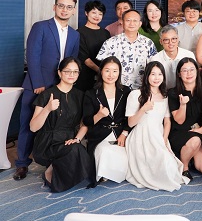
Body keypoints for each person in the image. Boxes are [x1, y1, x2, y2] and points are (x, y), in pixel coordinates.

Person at [14, 0, 80, 181]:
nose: (64, 10)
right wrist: (38, 83)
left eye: (69, 7)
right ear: (54, 7)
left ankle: (51, 160)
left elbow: (72, 60)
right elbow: (32, 56)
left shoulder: (75, 35)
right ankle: (22, 163)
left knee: (55, 125)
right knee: (28, 123)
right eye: (61, 5)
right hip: (37, 84)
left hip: (61, 86)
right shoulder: (41, 27)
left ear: (73, 10)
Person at [30, 57, 93, 192]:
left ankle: (56, 168)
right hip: (48, 141)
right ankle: (50, 172)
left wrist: (77, 139)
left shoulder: (81, 95)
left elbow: (85, 124)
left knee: (79, 149)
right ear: (59, 73)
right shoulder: (47, 94)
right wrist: (47, 109)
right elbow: (33, 127)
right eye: (67, 71)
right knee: (76, 151)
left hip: (69, 140)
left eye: (75, 72)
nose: (71, 75)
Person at [125, 61, 189, 191]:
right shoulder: (136, 94)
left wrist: (164, 140)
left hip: (158, 136)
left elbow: (167, 121)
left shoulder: (165, 96)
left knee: (169, 165)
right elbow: (131, 123)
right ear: (147, 76)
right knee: (158, 164)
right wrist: (143, 109)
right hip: (141, 137)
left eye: (160, 74)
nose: (156, 78)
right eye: (153, 74)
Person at [82, 56, 131, 184]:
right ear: (101, 71)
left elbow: (130, 117)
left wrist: (124, 133)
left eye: (115, 71)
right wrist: (99, 115)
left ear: (119, 72)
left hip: (121, 133)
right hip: (100, 134)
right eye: (107, 70)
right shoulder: (91, 93)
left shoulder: (126, 91)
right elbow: (87, 121)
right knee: (105, 152)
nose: (111, 75)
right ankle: (105, 173)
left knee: (125, 155)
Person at [168, 57, 202, 181]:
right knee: (194, 141)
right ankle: (184, 167)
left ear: (198, 71)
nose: (189, 73)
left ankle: (188, 154)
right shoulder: (173, 93)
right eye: (184, 70)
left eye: (192, 69)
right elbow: (179, 121)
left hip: (200, 131)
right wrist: (183, 105)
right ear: (179, 74)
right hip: (180, 132)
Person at [96, 9, 157, 89]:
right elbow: (103, 67)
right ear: (122, 22)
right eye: (128, 20)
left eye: (135, 20)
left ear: (140, 24)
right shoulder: (110, 42)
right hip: (116, 89)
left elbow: (154, 67)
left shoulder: (148, 43)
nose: (131, 23)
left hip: (141, 90)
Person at [76, 0, 111, 92]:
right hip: (86, 75)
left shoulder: (106, 33)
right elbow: (85, 58)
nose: (97, 16)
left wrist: (106, 72)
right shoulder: (79, 33)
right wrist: (100, 71)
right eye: (94, 12)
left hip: (104, 76)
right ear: (86, 13)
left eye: (100, 14)